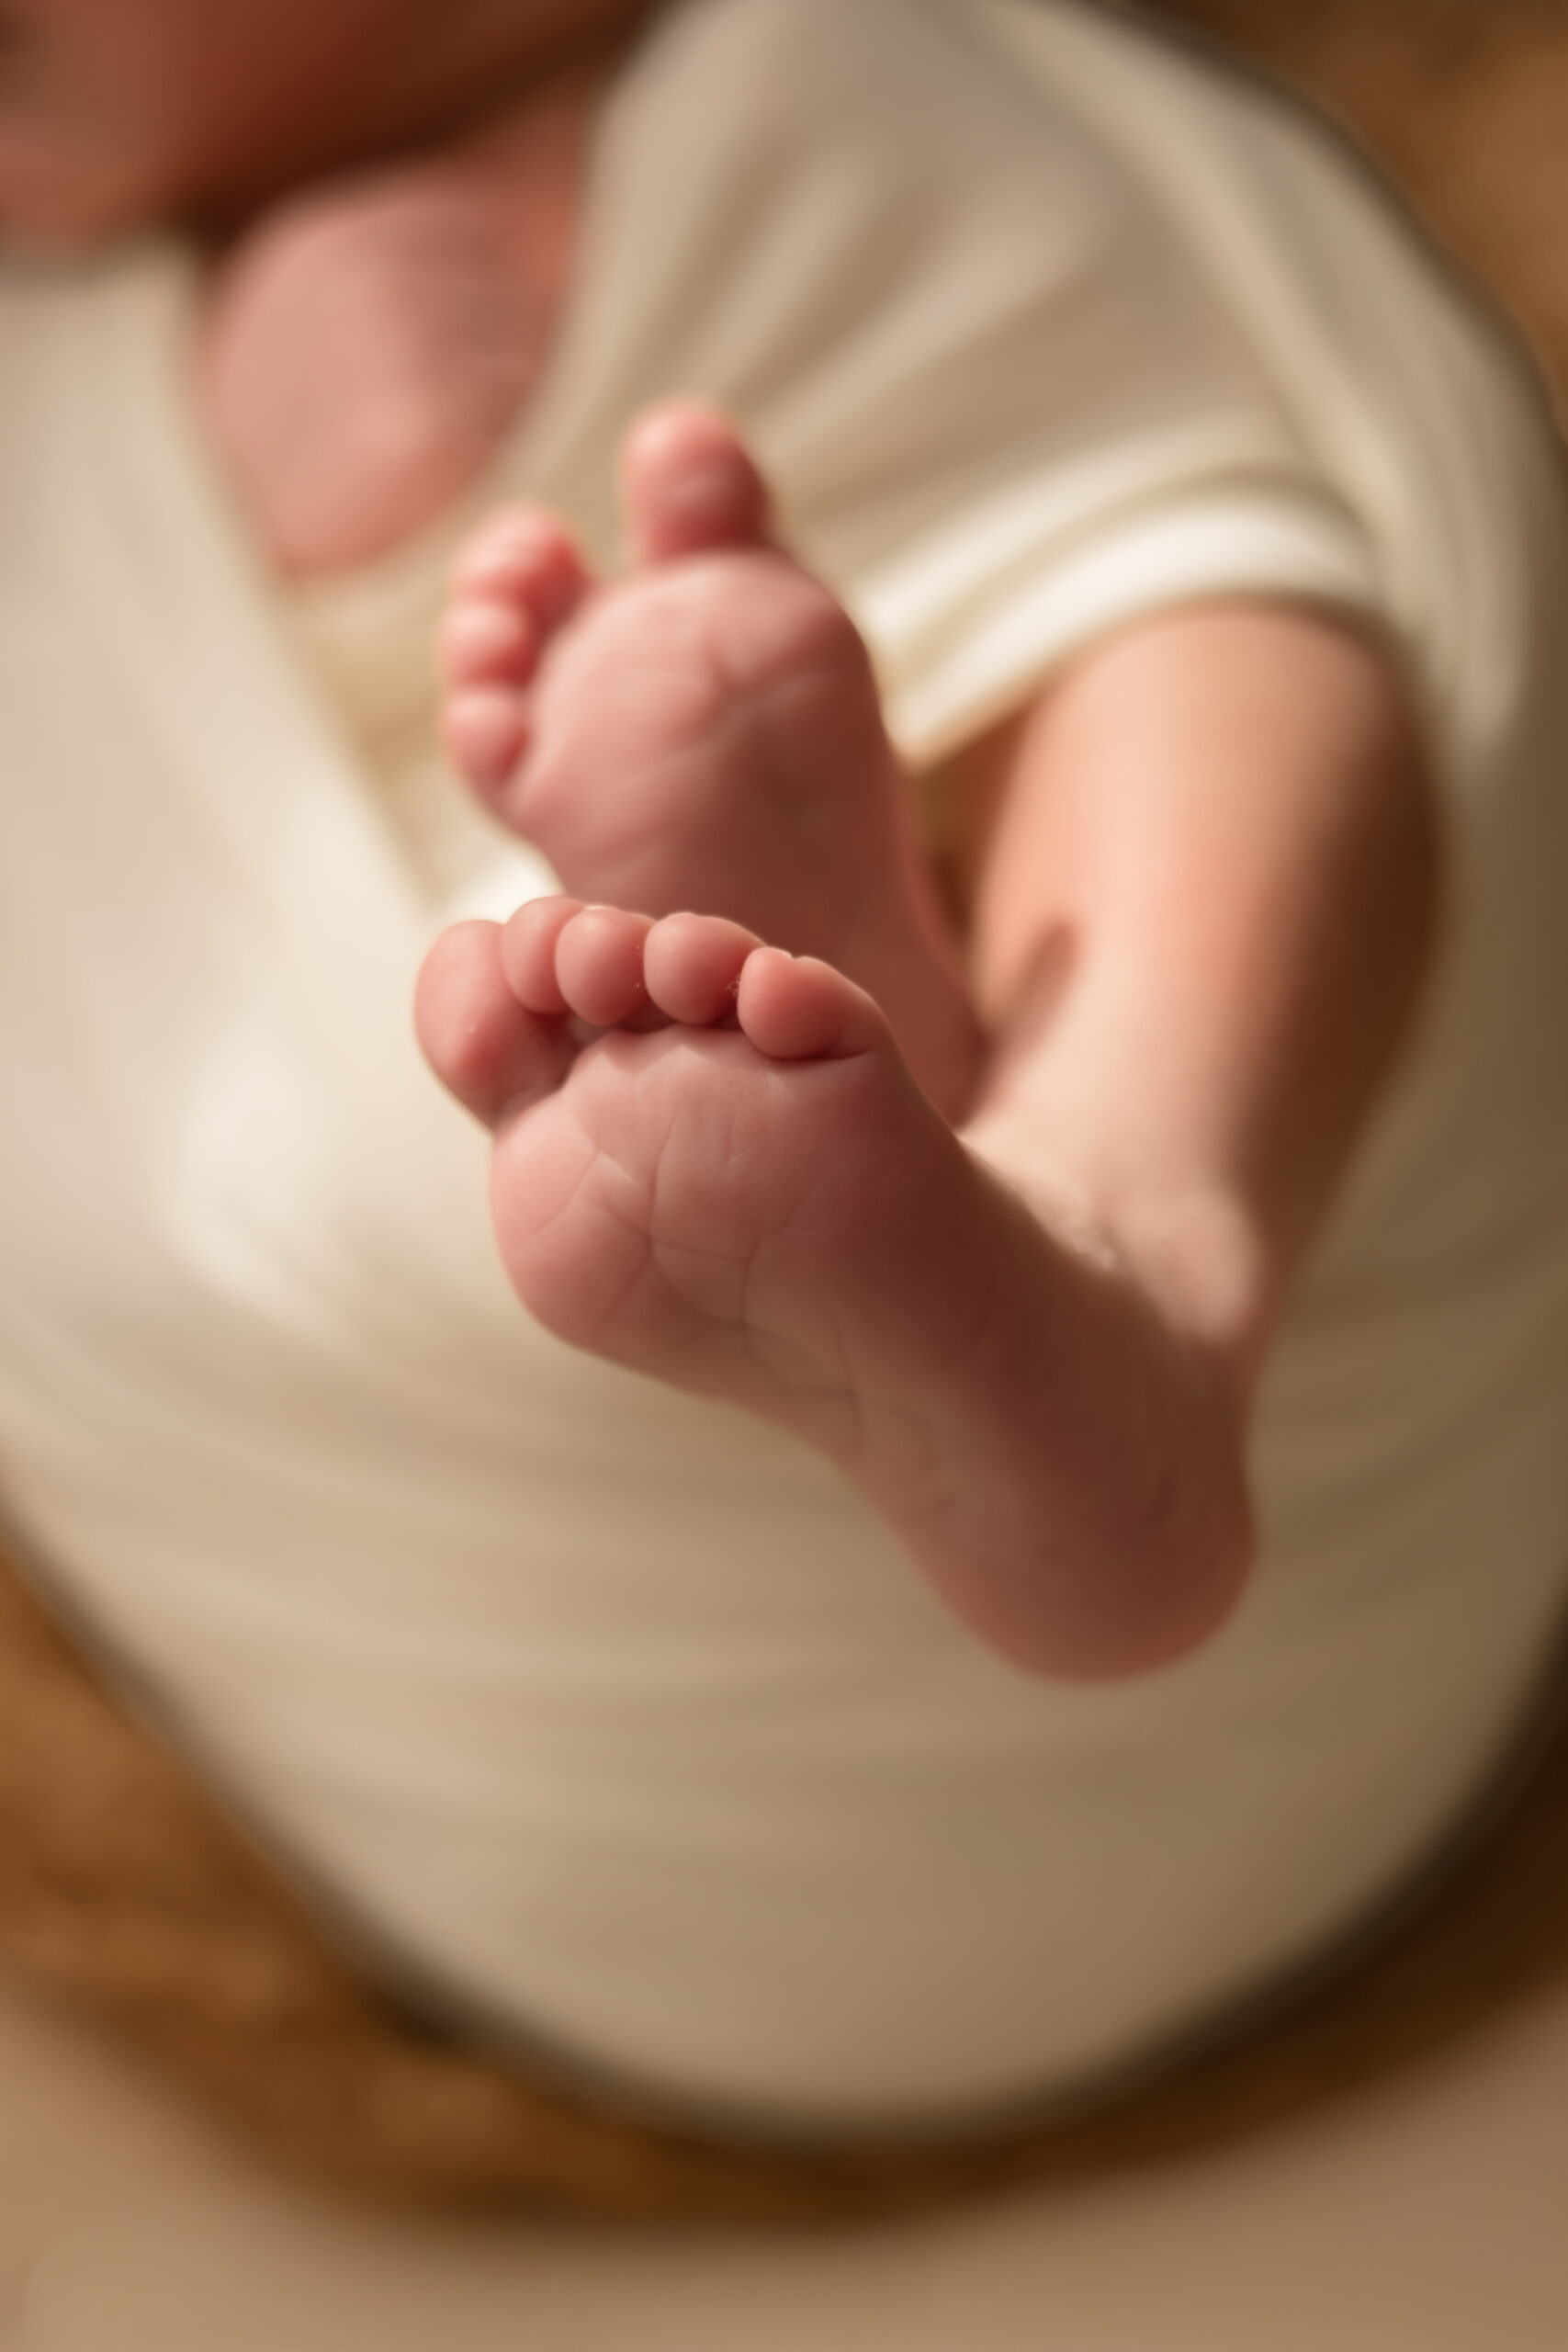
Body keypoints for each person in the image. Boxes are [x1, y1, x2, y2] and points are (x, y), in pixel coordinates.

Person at [2, 0, 1566, 2139]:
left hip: (691, 1912)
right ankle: (1001, 1149)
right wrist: (267, 455)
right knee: (1201, 611)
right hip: (763, 1684)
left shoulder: (837, 69)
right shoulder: (116, 348)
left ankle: (1087, 1172)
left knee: (1216, 612)